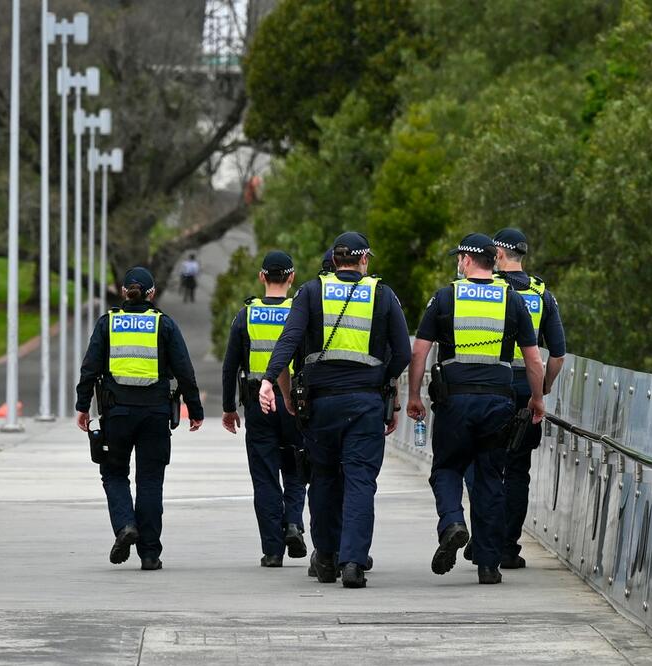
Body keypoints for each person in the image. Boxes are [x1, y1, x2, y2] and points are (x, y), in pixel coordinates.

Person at [258, 232, 411, 589]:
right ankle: (354, 563)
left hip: (321, 404)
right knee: (360, 480)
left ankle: (325, 558)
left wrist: (270, 381)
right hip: (365, 402)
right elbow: (402, 352)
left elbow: (289, 340)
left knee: (323, 478)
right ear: (364, 260)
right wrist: (383, 382)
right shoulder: (382, 294)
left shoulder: (311, 292)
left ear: (335, 258)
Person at [406, 233, 545, 585]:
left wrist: (413, 397)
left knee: (447, 469)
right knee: (489, 479)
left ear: (467, 261)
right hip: (498, 403)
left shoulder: (445, 297)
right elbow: (533, 360)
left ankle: (453, 521)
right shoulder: (513, 301)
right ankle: (487, 564)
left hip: (454, 402)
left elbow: (419, 353)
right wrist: (536, 399)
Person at [75, 267, 205, 571]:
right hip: (155, 414)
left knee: (114, 473)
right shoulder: (164, 324)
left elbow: (90, 368)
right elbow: (185, 371)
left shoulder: (108, 322)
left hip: (116, 413)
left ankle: (124, 526)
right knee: (150, 481)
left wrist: (83, 406)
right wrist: (195, 410)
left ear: (123, 293)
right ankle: (149, 554)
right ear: (152, 294)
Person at [463, 228, 566, 568]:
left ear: (499, 255)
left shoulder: (488, 290)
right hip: (526, 392)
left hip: (491, 388)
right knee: (518, 470)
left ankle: (482, 541)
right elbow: (558, 356)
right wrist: (544, 389)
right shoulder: (541, 293)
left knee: (483, 467)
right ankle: (506, 546)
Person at [220, 251, 307, 568]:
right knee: (297, 469)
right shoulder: (300, 311)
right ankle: (294, 523)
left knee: (265, 477)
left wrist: (230, 408)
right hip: (295, 402)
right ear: (291, 277)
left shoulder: (246, 314)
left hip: (258, 403)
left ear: (261, 277)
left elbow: (231, 366)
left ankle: (273, 550)